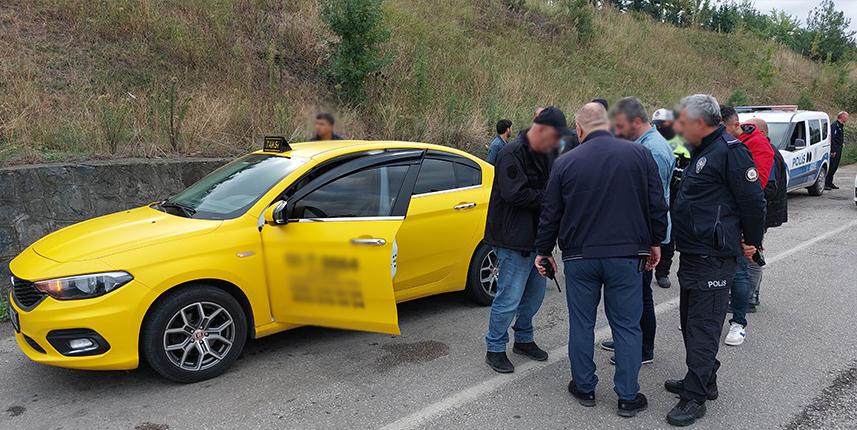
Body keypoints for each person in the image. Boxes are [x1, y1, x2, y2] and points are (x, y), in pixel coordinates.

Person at [535, 102, 668, 417]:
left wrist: (543, 251)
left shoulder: (566, 163)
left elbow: (550, 214)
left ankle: (584, 387)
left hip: (580, 257)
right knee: (626, 326)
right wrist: (656, 242)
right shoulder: (639, 155)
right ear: (607, 124)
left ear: (579, 129)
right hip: (626, 255)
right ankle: (627, 396)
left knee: (582, 323)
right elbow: (656, 202)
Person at [665, 95, 766, 427]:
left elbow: (753, 201)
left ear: (699, 122)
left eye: (683, 122)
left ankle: (695, 397)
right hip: (694, 252)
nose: (679, 128)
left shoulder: (730, 151)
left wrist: (752, 242)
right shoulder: (704, 151)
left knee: (703, 325)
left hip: (714, 255)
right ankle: (704, 378)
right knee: (691, 321)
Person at [483, 107, 566, 374]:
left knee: (534, 296)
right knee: (508, 297)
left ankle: (524, 339)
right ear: (539, 129)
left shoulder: (548, 152)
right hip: (512, 239)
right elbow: (514, 194)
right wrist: (551, 199)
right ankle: (495, 347)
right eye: (553, 138)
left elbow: (556, 183)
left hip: (538, 238)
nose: (556, 144)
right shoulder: (511, 153)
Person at [599, 97, 675, 367]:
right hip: (642, 234)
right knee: (637, 293)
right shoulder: (645, 145)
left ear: (637, 121)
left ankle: (643, 348)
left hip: (643, 236)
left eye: (621, 125)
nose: (618, 131)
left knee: (640, 295)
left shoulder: (652, 150)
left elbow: (649, 200)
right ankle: (628, 340)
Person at [720, 106, 774, 346]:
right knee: (715, 271)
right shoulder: (715, 143)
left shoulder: (757, 145)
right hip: (715, 220)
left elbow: (756, 191)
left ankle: (738, 322)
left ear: (734, 125)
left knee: (740, 271)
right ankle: (712, 316)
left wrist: (750, 235)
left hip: (738, 219)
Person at [745, 117, 788, 313]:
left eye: (750, 128)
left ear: (760, 133)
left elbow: (768, 188)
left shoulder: (766, 153)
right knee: (751, 251)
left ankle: (750, 296)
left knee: (752, 252)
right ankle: (751, 293)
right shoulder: (764, 150)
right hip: (761, 211)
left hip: (761, 213)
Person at [651, 108, 691, 289]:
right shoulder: (648, 141)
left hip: (675, 194)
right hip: (653, 191)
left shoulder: (682, 143)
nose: (661, 128)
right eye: (658, 125)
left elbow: (690, 167)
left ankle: (662, 271)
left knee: (669, 232)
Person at [826, 111, 849, 190]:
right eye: (846, 116)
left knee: (835, 166)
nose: (847, 118)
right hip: (835, 149)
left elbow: (838, 137)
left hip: (839, 148)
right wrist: (832, 150)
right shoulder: (835, 125)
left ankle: (830, 182)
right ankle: (826, 183)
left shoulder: (840, 126)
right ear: (842, 117)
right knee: (832, 166)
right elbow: (832, 138)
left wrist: (841, 143)